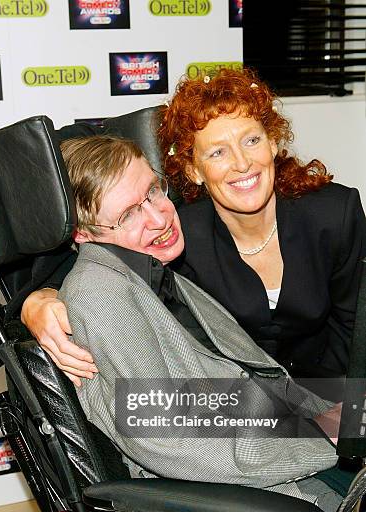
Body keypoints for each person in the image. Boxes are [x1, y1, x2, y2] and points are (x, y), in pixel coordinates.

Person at [20, 68, 366, 398]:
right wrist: (36, 299)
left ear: (273, 143)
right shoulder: (177, 230)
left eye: (251, 140)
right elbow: (97, 251)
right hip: (244, 418)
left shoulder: (334, 213)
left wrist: (341, 416)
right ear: (193, 169)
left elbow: (356, 330)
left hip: (334, 399)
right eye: (217, 152)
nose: (242, 163)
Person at [55, 132, 339, 500]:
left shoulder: (150, 271)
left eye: (154, 192)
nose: (160, 218)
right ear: (83, 233)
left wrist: (342, 420)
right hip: (266, 489)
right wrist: (320, 437)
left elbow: (240, 387)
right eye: (129, 214)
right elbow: (168, 437)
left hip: (284, 441)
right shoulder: (100, 292)